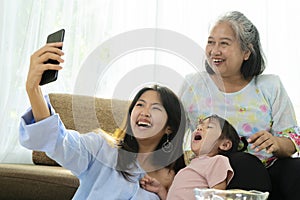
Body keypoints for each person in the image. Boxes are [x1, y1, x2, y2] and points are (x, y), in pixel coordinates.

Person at [19, 43, 186, 199]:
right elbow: (57, 141)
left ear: (170, 128)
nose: (145, 112)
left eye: (155, 108)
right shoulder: (102, 149)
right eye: (140, 105)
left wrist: (164, 194)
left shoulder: (178, 178)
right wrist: (33, 89)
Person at [180, 10, 300, 200]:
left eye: (224, 44)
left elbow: (292, 140)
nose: (214, 51)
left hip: (269, 169)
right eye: (211, 42)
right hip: (216, 173)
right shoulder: (194, 85)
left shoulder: (270, 86)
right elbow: (175, 133)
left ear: (246, 52)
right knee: (243, 163)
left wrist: (276, 143)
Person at [140, 115, 247, 200]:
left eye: (209, 127)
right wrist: (160, 190)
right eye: (198, 126)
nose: (199, 128)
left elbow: (217, 195)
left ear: (224, 145)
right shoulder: (188, 168)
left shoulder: (217, 161)